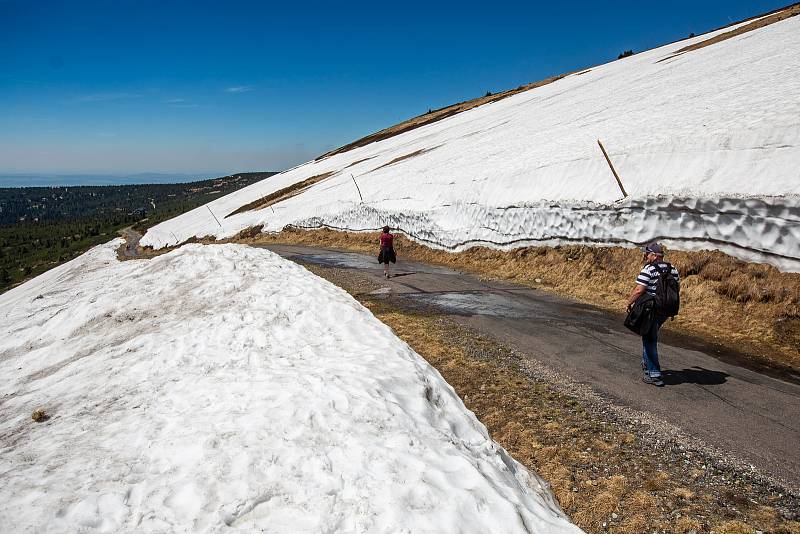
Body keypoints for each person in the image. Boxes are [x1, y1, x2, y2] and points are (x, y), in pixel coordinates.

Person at [626, 242, 680, 387]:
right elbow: (676, 288)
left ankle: (654, 374)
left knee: (650, 339)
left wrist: (629, 302)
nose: (645, 256)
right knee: (649, 334)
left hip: (651, 309)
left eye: (647, 253)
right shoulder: (673, 269)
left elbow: (639, 290)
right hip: (666, 310)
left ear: (654, 255)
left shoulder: (649, 269)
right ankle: (646, 364)